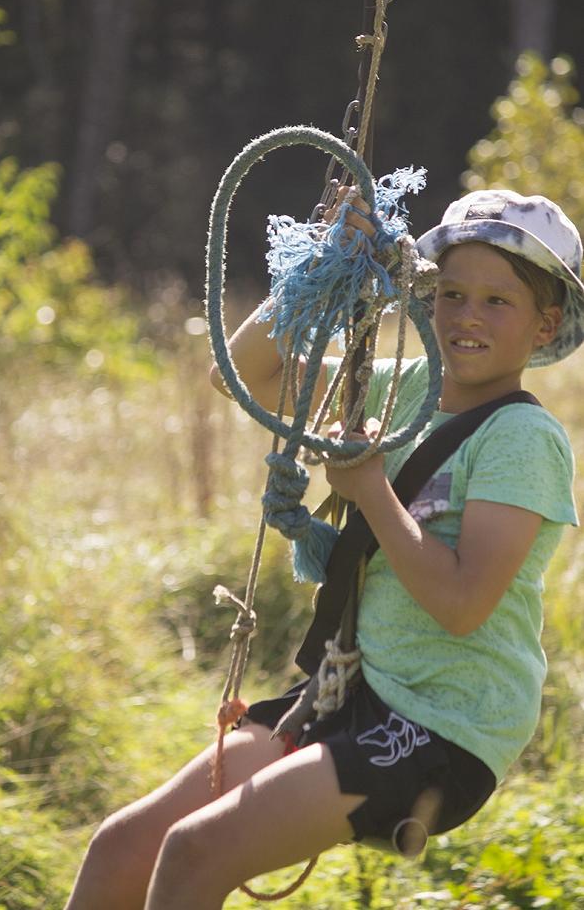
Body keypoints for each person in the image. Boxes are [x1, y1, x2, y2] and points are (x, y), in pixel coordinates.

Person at [64, 189, 582, 910]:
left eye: (497, 301)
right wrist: (322, 264)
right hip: (350, 694)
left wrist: (371, 488)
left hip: (443, 723)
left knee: (194, 852)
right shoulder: (403, 389)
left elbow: (462, 606)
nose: (467, 315)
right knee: (124, 846)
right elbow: (242, 375)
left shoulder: (523, 439)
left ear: (545, 324)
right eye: (452, 293)